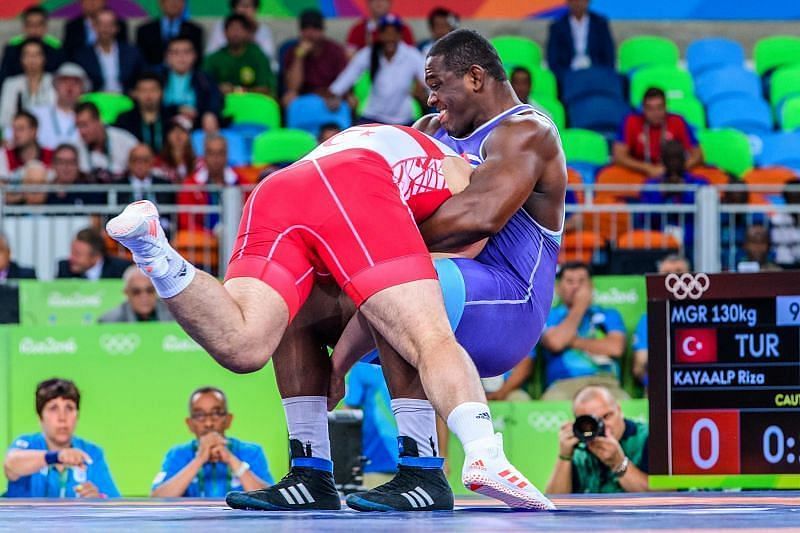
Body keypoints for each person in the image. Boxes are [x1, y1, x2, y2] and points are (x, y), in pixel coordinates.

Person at [106, 122, 554, 511]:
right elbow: (411, 284)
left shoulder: (384, 140)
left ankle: (157, 256)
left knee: (246, 339)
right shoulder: (461, 170)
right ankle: (482, 452)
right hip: (351, 184)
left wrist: (337, 362)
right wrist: (339, 365)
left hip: (276, 190)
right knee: (426, 331)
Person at [249, 29, 567, 513]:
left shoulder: (526, 131)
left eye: (439, 85)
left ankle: (423, 474)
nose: (432, 98)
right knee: (304, 298)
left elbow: (479, 218)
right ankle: (310, 470)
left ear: (476, 77)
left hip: (508, 301)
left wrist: (368, 249)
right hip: (442, 285)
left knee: (407, 284)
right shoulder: (431, 131)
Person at [3, 378, 120, 498]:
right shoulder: (27, 444)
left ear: (77, 415)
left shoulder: (92, 452)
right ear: (40, 417)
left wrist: (98, 499)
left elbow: (116, 506)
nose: (62, 417)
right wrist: (56, 456)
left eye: (69, 408)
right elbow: (10, 465)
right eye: (53, 408)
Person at [151, 387, 273, 497]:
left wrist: (231, 459)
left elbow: (269, 498)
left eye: (216, 413)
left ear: (228, 420)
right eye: (199, 415)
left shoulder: (252, 452)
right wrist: (199, 460)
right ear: (190, 424)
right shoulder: (177, 454)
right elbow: (157, 498)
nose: (208, 423)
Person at [540, 262, 628, 401]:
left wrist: (571, 341)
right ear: (558, 288)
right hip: (563, 384)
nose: (576, 286)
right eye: (570, 281)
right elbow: (555, 343)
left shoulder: (609, 314)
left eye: (582, 281)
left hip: (605, 382)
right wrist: (580, 305)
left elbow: (615, 348)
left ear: (591, 286)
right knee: (550, 401)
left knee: (623, 402)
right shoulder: (549, 315)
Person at [546, 385, 648, 494]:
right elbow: (554, 502)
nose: (603, 426)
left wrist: (619, 463)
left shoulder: (647, 437)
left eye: (606, 416)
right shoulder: (579, 448)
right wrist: (564, 457)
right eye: (591, 423)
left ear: (619, 410)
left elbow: (662, 495)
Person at [328, 15, 426, 125]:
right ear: (380, 35)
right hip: (373, 115)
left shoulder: (411, 55)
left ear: (400, 35)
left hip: (403, 118)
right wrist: (334, 92)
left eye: (394, 33)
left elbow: (426, 79)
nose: (390, 37)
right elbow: (349, 75)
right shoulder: (369, 53)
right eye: (386, 33)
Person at [613, 87, 703, 177]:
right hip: (641, 172)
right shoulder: (630, 122)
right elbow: (619, 156)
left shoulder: (678, 121)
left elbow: (698, 155)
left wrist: (675, 169)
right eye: (650, 108)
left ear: (666, 107)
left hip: (675, 173)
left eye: (659, 108)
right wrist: (647, 168)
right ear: (643, 109)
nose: (655, 113)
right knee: (611, 175)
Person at [637, 139, 708, 250]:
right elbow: (643, 217)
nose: (674, 162)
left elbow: (705, 214)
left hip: (693, 241)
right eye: (669, 158)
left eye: (677, 157)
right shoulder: (651, 184)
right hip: (659, 242)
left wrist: (683, 192)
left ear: (685, 159)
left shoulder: (699, 182)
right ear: (663, 161)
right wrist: (662, 194)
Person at [631, 254, 689, 388]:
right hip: (659, 387)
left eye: (679, 272)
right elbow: (639, 368)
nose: (674, 279)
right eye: (667, 274)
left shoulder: (702, 315)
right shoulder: (648, 320)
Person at [343, 362, 398, 488]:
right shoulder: (362, 366)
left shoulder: (410, 361)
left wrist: (442, 454)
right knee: (374, 506)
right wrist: (348, 458)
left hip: (412, 462)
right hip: (375, 460)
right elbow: (349, 413)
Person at [281, 9, 348, 108]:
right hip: (304, 97)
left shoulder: (335, 50)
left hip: (330, 96)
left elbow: (344, 81)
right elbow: (293, 87)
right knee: (289, 98)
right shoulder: (292, 51)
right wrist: (299, 56)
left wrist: (329, 94)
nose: (310, 33)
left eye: (315, 28)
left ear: (322, 30)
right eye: (306, 28)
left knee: (351, 100)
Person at [177, 134, 242, 232]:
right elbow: (185, 222)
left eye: (220, 153)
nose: (216, 158)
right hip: (203, 243)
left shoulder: (241, 182)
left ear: (227, 155)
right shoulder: (191, 185)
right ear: (204, 156)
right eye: (211, 153)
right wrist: (211, 236)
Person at [73, 8, 143, 94]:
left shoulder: (132, 53)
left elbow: (141, 78)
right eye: (101, 24)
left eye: (110, 24)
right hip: (94, 101)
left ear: (116, 28)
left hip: (125, 100)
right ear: (94, 27)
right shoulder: (81, 55)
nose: (105, 28)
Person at [203, 14, 275, 96]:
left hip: (252, 102)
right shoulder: (214, 59)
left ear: (247, 33)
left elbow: (265, 88)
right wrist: (218, 88)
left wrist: (236, 90)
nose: (235, 33)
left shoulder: (258, 56)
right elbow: (204, 86)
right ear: (224, 32)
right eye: (232, 29)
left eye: (239, 29)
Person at [161, 36, 222, 132]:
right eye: (175, 53)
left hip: (197, 124)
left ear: (194, 55)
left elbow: (215, 101)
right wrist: (178, 109)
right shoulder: (158, 78)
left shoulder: (204, 79)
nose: (181, 57)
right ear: (167, 57)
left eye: (186, 52)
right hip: (164, 124)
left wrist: (208, 113)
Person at [546, 0, 615, 80]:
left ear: (588, 2)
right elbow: (553, 57)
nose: (578, 3)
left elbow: (609, 53)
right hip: (568, 74)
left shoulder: (600, 23)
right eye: (574, 1)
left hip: (595, 72)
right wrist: (563, 77)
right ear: (568, 2)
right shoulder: (557, 26)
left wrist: (602, 73)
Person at [27, 62, 88, 150]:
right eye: (64, 81)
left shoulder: (89, 120)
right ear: (55, 85)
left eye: (75, 82)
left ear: (83, 88)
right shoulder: (36, 113)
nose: (69, 87)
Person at [75, 101, 139, 183]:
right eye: (78, 126)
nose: (81, 131)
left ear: (99, 121)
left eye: (84, 125)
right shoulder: (75, 147)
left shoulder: (126, 141)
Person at [0, 38, 56, 129]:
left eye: (36, 55)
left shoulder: (54, 81)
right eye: (28, 55)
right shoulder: (11, 84)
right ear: (21, 59)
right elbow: (5, 118)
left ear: (44, 58)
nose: (32, 59)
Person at [115, 73, 177, 153]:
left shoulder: (172, 118)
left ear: (162, 92)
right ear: (135, 93)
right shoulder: (124, 119)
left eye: (153, 90)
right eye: (143, 91)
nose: (148, 95)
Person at [206, 0, 276, 71]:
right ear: (233, 8)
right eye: (241, 5)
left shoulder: (263, 30)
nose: (245, 10)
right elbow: (210, 54)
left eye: (249, 6)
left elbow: (269, 59)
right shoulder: (220, 26)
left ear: (256, 9)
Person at [0, 6, 63, 81]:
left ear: (45, 27)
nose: (34, 29)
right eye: (31, 25)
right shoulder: (12, 48)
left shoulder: (56, 48)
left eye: (39, 24)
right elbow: (4, 77)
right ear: (24, 27)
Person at [136, 0, 204, 68]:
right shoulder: (144, 30)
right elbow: (141, 59)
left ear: (184, 4)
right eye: (170, 0)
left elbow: (197, 60)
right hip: (152, 74)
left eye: (178, 0)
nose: (174, 3)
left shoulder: (195, 30)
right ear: (161, 3)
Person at [98, 265, 173, 323]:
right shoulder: (110, 321)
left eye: (150, 290)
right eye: (136, 292)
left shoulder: (174, 316)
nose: (144, 296)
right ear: (126, 293)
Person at [62, 0, 130, 61]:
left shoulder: (118, 23)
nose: (92, 2)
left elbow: (126, 53)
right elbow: (68, 53)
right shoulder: (72, 26)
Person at [113, 144, 175, 209]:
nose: (140, 164)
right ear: (129, 162)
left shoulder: (165, 186)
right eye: (135, 159)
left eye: (145, 160)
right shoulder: (116, 187)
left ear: (152, 161)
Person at [57, 227, 131, 279]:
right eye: (72, 252)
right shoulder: (65, 269)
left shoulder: (121, 269)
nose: (71, 258)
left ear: (96, 256)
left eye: (77, 254)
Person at [0, 111, 53, 184]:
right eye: (14, 129)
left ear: (34, 131)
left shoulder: (51, 156)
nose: (15, 134)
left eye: (21, 129)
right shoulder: (4, 155)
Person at [346, 0, 414, 53]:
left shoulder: (402, 27)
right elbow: (350, 56)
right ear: (368, 3)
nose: (379, 2)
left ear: (390, 2)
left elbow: (412, 56)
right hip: (367, 69)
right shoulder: (358, 29)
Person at [156, 115, 197, 183]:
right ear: (167, 136)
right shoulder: (158, 163)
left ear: (189, 137)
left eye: (182, 131)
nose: (178, 135)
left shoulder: (197, 164)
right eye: (173, 130)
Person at [771, 178, 800, 268]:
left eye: (798, 197)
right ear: (785, 198)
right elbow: (781, 252)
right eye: (791, 197)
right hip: (785, 266)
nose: (795, 201)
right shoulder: (777, 220)